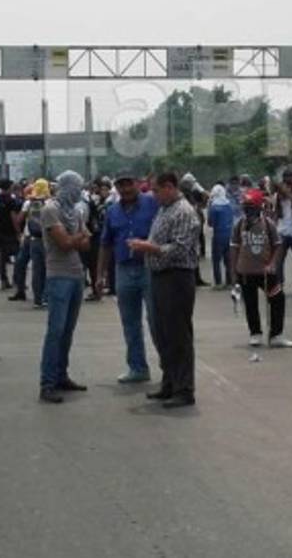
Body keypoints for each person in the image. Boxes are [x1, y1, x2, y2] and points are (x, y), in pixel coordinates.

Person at [127, 172, 199, 409]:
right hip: (160, 276)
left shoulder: (183, 212)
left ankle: (184, 389)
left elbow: (179, 249)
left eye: (156, 190)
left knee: (178, 335)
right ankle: (169, 382)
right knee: (164, 333)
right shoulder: (165, 208)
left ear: (169, 187)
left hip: (176, 277)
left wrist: (149, 247)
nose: (153, 195)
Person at [96, 172, 159, 384]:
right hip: (123, 270)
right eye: (121, 185)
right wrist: (100, 274)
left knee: (156, 320)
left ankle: (169, 367)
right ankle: (138, 367)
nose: (126, 189)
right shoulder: (112, 211)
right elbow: (105, 244)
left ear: (137, 183)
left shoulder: (153, 203)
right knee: (130, 322)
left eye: (129, 184)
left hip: (150, 267)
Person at [36, 171, 92, 404]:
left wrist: (78, 237)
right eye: (76, 187)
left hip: (76, 274)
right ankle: (47, 383)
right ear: (67, 187)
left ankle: (61, 375)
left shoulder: (75, 211)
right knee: (55, 331)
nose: (79, 191)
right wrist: (80, 236)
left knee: (67, 331)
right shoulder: (50, 210)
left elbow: (85, 245)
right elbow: (65, 243)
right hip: (58, 275)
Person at [231, 188, 292, 348]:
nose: (248, 209)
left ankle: (276, 335)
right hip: (245, 272)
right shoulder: (239, 224)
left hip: (266, 272)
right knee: (250, 304)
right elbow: (234, 247)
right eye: (245, 206)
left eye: (251, 205)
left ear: (259, 206)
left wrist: (273, 264)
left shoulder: (268, 224)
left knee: (277, 299)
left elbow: (278, 245)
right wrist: (234, 271)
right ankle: (255, 333)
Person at [19, 179, 50, 308]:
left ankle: (37, 299)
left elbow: (20, 219)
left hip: (33, 239)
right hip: (47, 240)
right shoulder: (50, 203)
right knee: (49, 270)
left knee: (37, 271)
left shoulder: (29, 202)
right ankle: (46, 297)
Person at [0, 180, 22, 292]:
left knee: (3, 257)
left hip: (0, 230)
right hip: (11, 231)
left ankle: (4, 280)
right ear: (9, 188)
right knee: (18, 256)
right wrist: (18, 231)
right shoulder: (11, 201)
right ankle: (16, 279)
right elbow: (14, 217)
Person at [206, 184, 235, 289]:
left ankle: (218, 283)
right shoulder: (229, 205)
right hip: (229, 235)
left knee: (216, 260)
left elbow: (210, 223)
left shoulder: (214, 207)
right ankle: (229, 282)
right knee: (228, 260)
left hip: (218, 235)